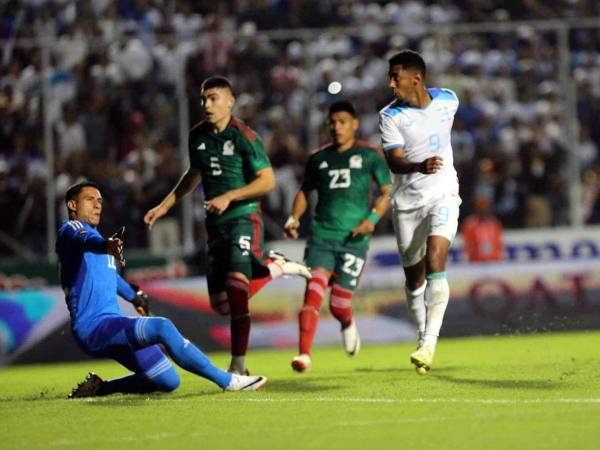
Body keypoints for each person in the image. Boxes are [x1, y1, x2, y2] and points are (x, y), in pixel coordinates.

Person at [144, 76, 310, 375]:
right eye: (204, 99)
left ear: (230, 102)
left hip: (244, 218)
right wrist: (165, 204)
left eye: (214, 98)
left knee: (236, 285)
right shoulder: (198, 136)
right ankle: (276, 267)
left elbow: (267, 181)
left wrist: (229, 196)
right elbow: (194, 173)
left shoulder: (244, 136)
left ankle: (238, 365)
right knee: (222, 305)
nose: (207, 104)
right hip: (216, 225)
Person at [57, 181, 267, 398]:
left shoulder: (100, 241)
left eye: (100, 200)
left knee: (167, 380)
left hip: (111, 323)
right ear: (72, 205)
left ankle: (101, 388)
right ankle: (228, 380)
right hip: (94, 327)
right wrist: (104, 246)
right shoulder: (70, 231)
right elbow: (85, 239)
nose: (97, 205)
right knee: (162, 327)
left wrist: (135, 296)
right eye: (90, 200)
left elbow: (112, 279)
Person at [284, 101, 392, 372]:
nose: (337, 127)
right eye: (332, 122)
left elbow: (387, 192)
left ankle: (347, 321)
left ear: (354, 123)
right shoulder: (318, 158)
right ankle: (304, 355)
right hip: (322, 236)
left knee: (338, 304)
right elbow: (303, 192)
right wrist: (294, 217)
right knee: (312, 293)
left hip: (354, 241)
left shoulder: (370, 156)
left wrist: (372, 220)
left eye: (343, 121)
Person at [379, 50, 461, 375]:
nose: (390, 83)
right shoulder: (390, 116)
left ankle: (429, 344)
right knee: (414, 278)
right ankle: (421, 332)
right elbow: (393, 160)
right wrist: (419, 165)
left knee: (436, 257)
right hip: (407, 204)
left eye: (395, 77)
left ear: (416, 79)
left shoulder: (448, 100)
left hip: (444, 194)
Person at [461, 195, 504, 262]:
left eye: (484, 206)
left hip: (493, 260)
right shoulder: (470, 224)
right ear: (475, 207)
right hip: (476, 261)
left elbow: (498, 243)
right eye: (480, 206)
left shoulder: (494, 223)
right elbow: (467, 244)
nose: (482, 208)